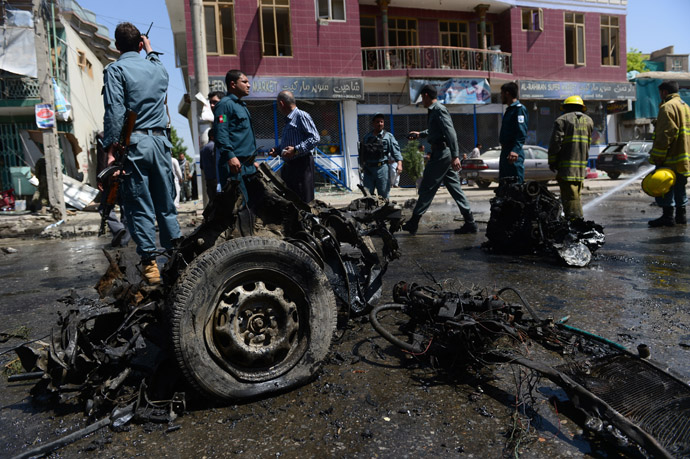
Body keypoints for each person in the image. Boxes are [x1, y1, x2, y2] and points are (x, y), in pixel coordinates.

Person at [102, 22, 180, 285]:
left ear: (116, 46)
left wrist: (111, 148)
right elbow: (157, 63)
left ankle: (150, 265)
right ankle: (175, 258)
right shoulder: (157, 68)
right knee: (166, 205)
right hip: (160, 144)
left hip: (134, 145)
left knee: (139, 206)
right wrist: (150, 49)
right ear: (140, 44)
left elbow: (115, 110)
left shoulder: (115, 69)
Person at [402, 84, 477, 235]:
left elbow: (451, 133)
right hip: (443, 154)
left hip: (442, 155)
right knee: (456, 189)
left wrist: (455, 156)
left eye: (422, 97)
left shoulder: (439, 110)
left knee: (427, 187)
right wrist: (420, 134)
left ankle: (414, 222)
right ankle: (470, 223)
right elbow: (435, 131)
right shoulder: (434, 111)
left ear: (426, 96)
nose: (422, 100)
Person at [648, 80, 690, 227]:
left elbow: (665, 135)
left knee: (665, 186)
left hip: (670, 158)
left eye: (660, 93)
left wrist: (658, 157)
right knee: (680, 186)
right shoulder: (686, 107)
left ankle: (668, 217)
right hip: (684, 158)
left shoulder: (667, 107)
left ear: (664, 92)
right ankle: (681, 216)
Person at [547, 95, 593, 219]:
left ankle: (574, 222)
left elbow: (556, 143)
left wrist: (552, 161)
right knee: (576, 195)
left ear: (566, 107)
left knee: (570, 197)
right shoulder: (589, 121)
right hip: (581, 167)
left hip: (566, 168)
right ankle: (576, 220)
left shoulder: (562, 120)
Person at [269, 90, 320, 203]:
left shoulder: (301, 116)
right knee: (291, 201)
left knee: (304, 201)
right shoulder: (288, 120)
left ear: (281, 104)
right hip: (290, 167)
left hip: (301, 165)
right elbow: (288, 143)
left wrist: (296, 150)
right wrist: (277, 150)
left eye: (278, 105)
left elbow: (315, 138)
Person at [213, 70, 257, 194]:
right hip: (234, 166)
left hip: (248, 165)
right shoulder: (224, 105)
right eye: (244, 82)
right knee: (238, 206)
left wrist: (252, 162)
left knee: (252, 206)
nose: (248, 85)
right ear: (233, 84)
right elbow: (221, 132)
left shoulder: (241, 105)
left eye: (248, 82)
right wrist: (230, 156)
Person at [96, 131, 130, 247]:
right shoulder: (128, 136)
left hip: (111, 178)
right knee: (125, 208)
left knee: (104, 207)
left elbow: (102, 159)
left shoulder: (103, 137)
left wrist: (100, 178)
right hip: (126, 176)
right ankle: (123, 239)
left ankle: (118, 229)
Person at [360, 113, 402, 199]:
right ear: (373, 123)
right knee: (367, 195)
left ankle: (384, 211)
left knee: (383, 194)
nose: (379, 124)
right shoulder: (367, 137)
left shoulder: (388, 136)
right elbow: (362, 153)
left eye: (381, 122)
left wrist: (399, 164)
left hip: (382, 169)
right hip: (368, 170)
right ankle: (369, 212)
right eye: (377, 122)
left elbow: (396, 151)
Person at [498, 82, 528, 185]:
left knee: (516, 185)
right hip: (506, 151)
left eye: (501, 93)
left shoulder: (519, 109)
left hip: (513, 153)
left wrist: (515, 151)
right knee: (504, 184)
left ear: (507, 93)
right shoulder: (509, 110)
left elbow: (521, 132)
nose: (500, 96)